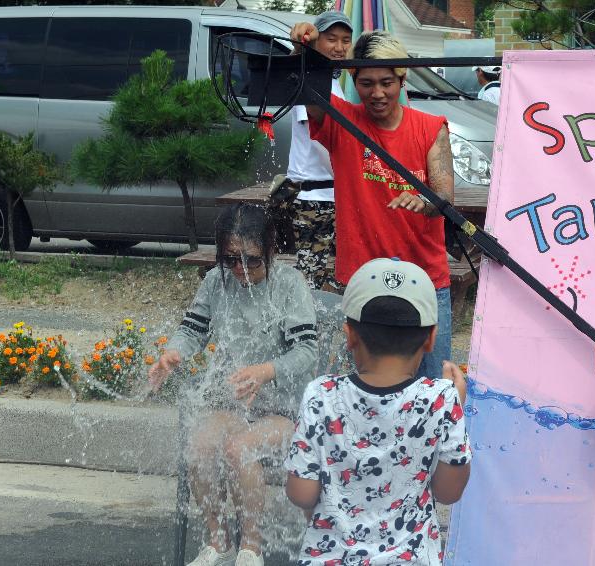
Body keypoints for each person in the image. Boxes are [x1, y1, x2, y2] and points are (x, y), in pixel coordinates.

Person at [148, 203, 318, 566]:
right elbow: (191, 329)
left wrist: (265, 370)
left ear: (271, 249)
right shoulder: (216, 282)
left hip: (283, 409)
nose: (240, 270)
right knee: (200, 443)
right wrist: (173, 353)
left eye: (252, 260)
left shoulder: (290, 285)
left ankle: (251, 549)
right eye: (231, 260)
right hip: (233, 405)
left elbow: (307, 352)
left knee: (239, 448)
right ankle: (218, 539)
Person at [288, 24, 455, 380]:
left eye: (386, 83)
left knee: (433, 387)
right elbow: (298, 82)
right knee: (364, 388)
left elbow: (444, 198)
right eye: (367, 84)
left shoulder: (431, 127)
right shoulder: (340, 121)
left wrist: (422, 200)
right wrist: (299, 46)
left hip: (425, 277)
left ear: (401, 79)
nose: (377, 93)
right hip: (363, 278)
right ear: (354, 81)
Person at [284, 257, 471, 565]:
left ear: (350, 335)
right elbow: (449, 492)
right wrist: (454, 411)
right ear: (431, 338)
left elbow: (301, 493)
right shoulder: (441, 399)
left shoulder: (321, 395)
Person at [288, 10, 353, 290]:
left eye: (346, 40)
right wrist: (354, 178)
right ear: (315, 41)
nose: (340, 48)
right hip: (315, 196)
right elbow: (321, 140)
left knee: (342, 275)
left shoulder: (334, 81)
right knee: (310, 278)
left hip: (331, 194)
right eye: (331, 39)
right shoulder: (310, 78)